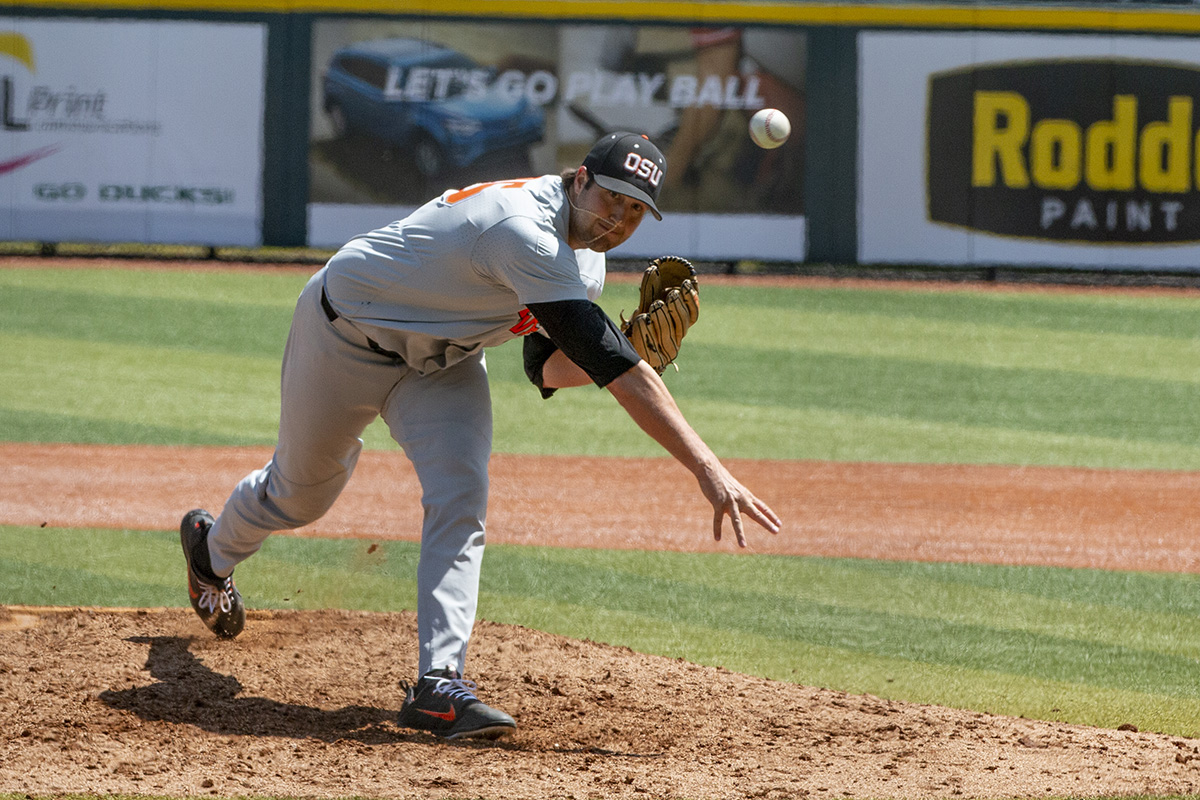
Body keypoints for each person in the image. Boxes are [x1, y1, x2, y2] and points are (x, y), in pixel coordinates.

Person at [180, 131, 782, 741]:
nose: (618, 219)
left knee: (461, 494)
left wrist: (630, 349)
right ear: (579, 179)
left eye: (635, 211)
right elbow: (623, 381)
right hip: (347, 335)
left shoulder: (587, 262)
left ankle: (439, 683)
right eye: (611, 198)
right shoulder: (521, 228)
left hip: (444, 363)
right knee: (300, 495)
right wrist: (706, 463)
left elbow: (544, 366)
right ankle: (212, 553)